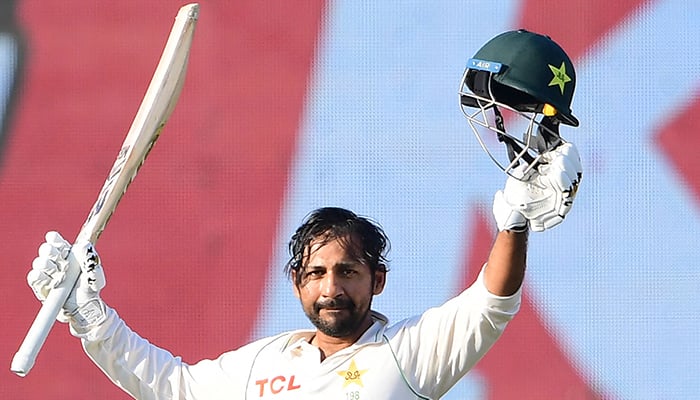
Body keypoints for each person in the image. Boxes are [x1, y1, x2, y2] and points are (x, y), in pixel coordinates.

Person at [26, 29, 582, 399]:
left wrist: (513, 220)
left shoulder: (409, 354)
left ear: (378, 281)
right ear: (296, 284)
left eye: (348, 271)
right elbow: (172, 387)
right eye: (316, 273)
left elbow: (490, 305)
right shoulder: (263, 365)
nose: (331, 287)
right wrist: (91, 317)